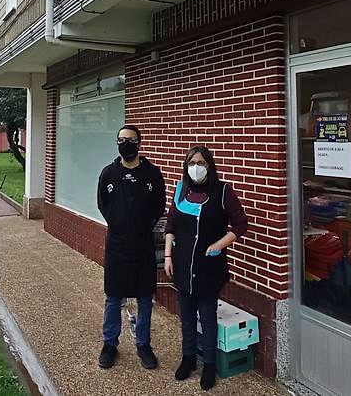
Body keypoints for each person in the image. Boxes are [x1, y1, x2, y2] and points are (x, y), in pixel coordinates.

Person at [164, 145, 248, 390]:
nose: (196, 168)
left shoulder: (223, 191)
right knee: (187, 318)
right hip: (181, 266)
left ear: (209, 166)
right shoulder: (181, 190)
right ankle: (188, 358)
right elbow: (171, 225)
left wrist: (219, 244)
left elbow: (241, 224)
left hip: (209, 268)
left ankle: (209, 365)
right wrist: (168, 256)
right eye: (192, 163)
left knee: (208, 318)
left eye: (201, 163)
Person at [96, 124, 167, 370]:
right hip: (116, 245)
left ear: (139, 143)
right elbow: (102, 204)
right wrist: (118, 224)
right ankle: (109, 344)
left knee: (145, 297)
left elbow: (160, 205)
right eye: (121, 139)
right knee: (113, 297)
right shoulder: (108, 174)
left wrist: (142, 226)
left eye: (130, 139)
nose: (125, 143)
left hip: (143, 246)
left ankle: (143, 344)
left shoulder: (152, 174)